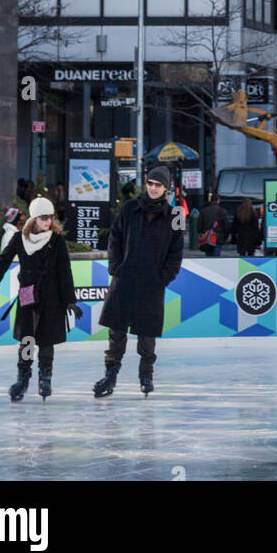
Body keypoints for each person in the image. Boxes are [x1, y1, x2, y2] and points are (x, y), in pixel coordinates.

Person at [93, 166, 184, 398]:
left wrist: (162, 278)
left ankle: (146, 376)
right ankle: (110, 375)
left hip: (151, 283)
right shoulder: (129, 209)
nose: (153, 188)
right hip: (125, 279)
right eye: (150, 183)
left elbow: (176, 253)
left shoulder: (175, 217)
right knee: (116, 331)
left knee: (147, 333)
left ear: (166, 188)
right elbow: (115, 238)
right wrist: (116, 267)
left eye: (158, 185)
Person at [0, 197, 81, 402]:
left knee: (46, 341)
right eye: (44, 217)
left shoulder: (56, 240)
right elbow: (2, 262)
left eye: (51, 217)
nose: (48, 221)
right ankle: (23, 378)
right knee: (27, 339)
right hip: (28, 295)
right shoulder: (19, 239)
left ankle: (45, 378)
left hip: (52, 297)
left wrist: (70, 300)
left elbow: (65, 271)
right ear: (34, 218)